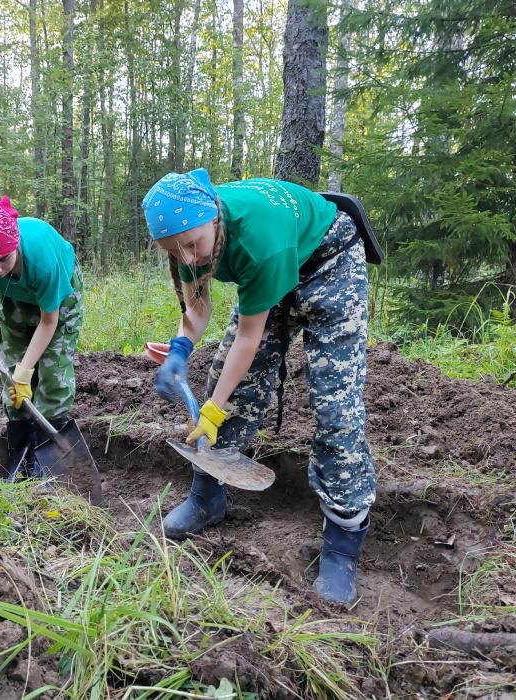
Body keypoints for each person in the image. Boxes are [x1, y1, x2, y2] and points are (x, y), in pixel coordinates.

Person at [142, 169, 375, 607]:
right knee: (228, 382)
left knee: (335, 405)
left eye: (193, 245)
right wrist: (179, 349)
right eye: (174, 252)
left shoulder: (254, 239)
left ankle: (344, 538)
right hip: (273, 263)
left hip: (328, 262)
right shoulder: (186, 236)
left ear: (215, 217)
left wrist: (211, 408)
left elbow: (249, 339)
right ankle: (208, 497)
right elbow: (197, 305)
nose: (187, 258)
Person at [0, 196, 82, 480]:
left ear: (14, 245)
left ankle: (47, 464)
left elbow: (49, 323)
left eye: (3, 259)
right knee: (11, 370)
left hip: (58, 296)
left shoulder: (44, 262)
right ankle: (20, 450)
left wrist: (26, 374)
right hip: (14, 293)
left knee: (53, 368)